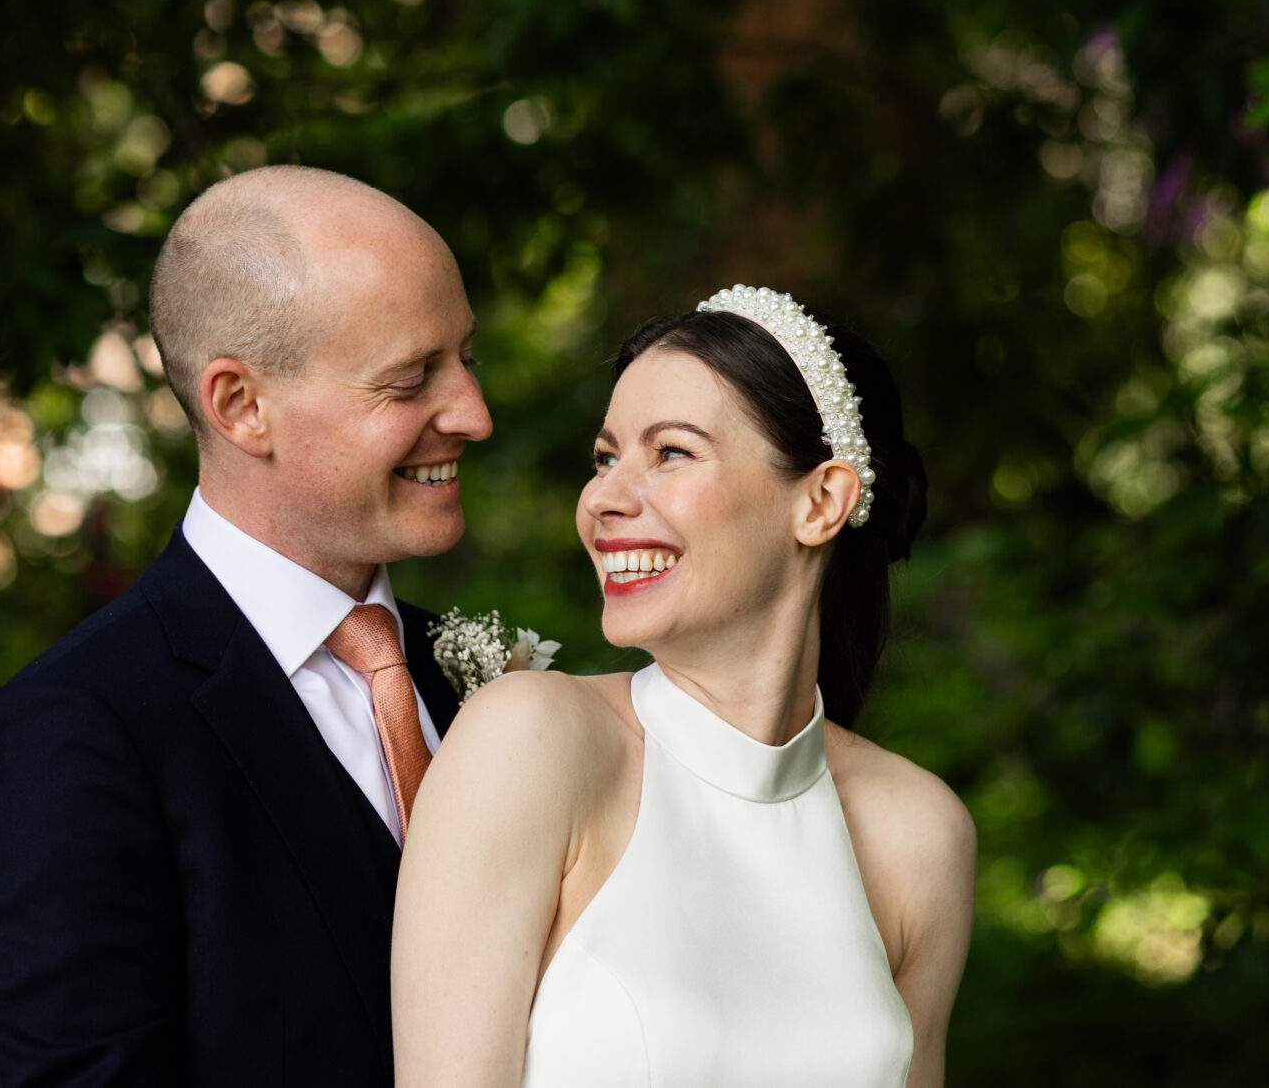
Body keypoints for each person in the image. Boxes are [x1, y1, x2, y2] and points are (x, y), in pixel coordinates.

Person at [0, 166, 492, 1086]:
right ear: (241, 405)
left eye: (468, 356)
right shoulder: (72, 739)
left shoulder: (486, 688)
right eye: (411, 378)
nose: (473, 413)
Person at [392, 286, 976, 1088]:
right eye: (605, 458)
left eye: (670, 452)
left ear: (821, 501)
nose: (604, 498)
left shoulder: (920, 833)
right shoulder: (532, 739)